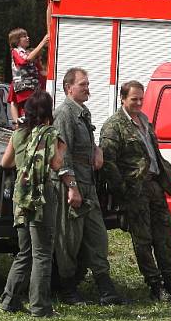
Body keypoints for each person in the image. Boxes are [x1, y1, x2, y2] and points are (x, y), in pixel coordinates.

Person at [99, 81, 171, 302]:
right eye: (134, 99)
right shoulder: (114, 126)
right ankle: (155, 284)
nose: (139, 103)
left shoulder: (143, 120)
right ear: (123, 98)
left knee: (167, 234)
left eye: (141, 98)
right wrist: (122, 189)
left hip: (154, 184)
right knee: (143, 240)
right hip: (134, 189)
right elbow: (108, 162)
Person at [52, 67, 126, 306]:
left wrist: (98, 150)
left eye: (87, 84)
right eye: (82, 84)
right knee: (69, 240)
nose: (87, 88)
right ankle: (67, 289)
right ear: (68, 87)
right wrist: (72, 187)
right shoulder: (64, 113)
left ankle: (106, 289)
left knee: (97, 236)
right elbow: (61, 155)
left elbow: (86, 145)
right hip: (72, 185)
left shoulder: (83, 113)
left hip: (88, 184)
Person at [0, 90, 66, 317]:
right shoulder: (50, 134)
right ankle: (40, 306)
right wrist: (61, 150)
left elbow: (5, 162)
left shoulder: (18, 134)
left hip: (21, 196)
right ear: (48, 111)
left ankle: (10, 300)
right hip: (41, 196)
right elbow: (56, 164)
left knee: (24, 252)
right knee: (42, 254)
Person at [6, 29, 49, 121]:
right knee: (28, 111)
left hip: (33, 90)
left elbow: (41, 72)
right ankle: (19, 124)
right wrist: (42, 42)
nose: (28, 38)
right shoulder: (16, 51)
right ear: (17, 41)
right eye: (24, 36)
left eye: (27, 35)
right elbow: (25, 60)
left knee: (34, 114)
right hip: (24, 88)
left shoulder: (27, 53)